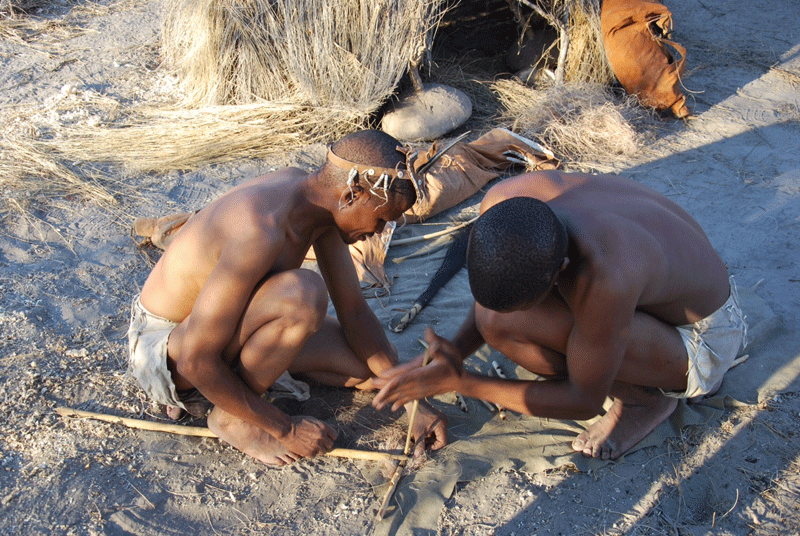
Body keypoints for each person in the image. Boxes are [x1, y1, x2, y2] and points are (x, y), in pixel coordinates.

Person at [373, 170, 747, 460]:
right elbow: (492, 306)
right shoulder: (504, 204)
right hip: (666, 288)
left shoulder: (605, 276)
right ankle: (647, 374)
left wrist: (461, 382)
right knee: (496, 322)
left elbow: (583, 400)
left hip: (704, 337)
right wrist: (453, 352)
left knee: (516, 330)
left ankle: (645, 400)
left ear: (561, 269)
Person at [128, 129, 447, 466]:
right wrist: (282, 428)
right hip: (166, 350)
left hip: (222, 332)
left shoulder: (321, 204)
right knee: (302, 294)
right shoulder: (259, 228)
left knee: (373, 367)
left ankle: (245, 384)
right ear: (352, 195)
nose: (381, 232)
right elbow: (195, 360)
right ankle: (233, 419)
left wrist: (413, 404)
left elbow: (354, 312)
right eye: (382, 219)